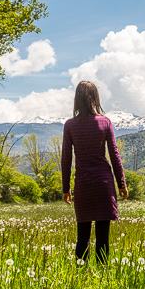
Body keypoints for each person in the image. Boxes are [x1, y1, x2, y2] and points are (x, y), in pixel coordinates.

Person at [61, 80, 129, 264]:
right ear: (95, 98)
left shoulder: (70, 125)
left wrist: (65, 189)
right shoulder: (105, 122)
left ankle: (81, 275)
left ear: (77, 99)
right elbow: (114, 155)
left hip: (83, 184)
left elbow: (66, 159)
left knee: (82, 236)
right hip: (103, 184)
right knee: (103, 237)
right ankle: (103, 276)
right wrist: (121, 184)